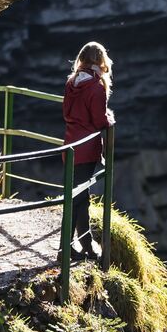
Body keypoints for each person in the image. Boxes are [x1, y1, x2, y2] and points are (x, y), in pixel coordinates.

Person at [60, 41, 114, 262]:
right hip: (87, 148)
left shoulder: (72, 83)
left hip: (71, 144)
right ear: (100, 61)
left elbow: (67, 112)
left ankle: (84, 244)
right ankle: (67, 248)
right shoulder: (96, 86)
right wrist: (109, 120)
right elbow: (99, 120)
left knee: (79, 197)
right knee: (78, 199)